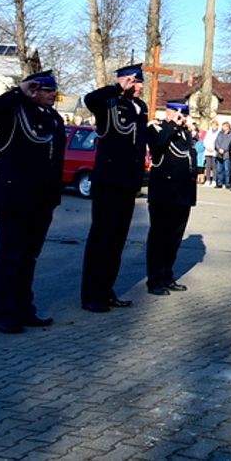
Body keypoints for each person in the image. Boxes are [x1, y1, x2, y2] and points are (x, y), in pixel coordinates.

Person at [0, 70, 66, 334]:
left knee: (29, 257)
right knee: (11, 256)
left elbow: (55, 160)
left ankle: (24, 309)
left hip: (42, 200)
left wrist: (54, 196)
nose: (53, 94)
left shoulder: (53, 117)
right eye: (46, 90)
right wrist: (19, 91)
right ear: (34, 90)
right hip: (14, 197)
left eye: (54, 90)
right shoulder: (14, 112)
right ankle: (4, 314)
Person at [80, 64, 149, 314]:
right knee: (102, 239)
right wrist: (117, 88)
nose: (140, 86)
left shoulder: (141, 108)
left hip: (128, 182)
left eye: (140, 82)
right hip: (108, 181)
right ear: (126, 80)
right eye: (136, 81)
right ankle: (91, 294)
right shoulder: (107, 103)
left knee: (117, 241)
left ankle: (107, 290)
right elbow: (90, 99)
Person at [145, 101, 196, 296]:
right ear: (169, 113)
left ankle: (167, 276)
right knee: (159, 238)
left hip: (182, 195)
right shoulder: (158, 129)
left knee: (174, 239)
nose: (182, 119)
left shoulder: (185, 133)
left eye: (184, 115)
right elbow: (157, 146)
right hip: (164, 195)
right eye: (179, 114)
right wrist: (171, 125)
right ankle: (155, 280)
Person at [213, 122, 231, 188]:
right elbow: (216, 142)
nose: (223, 128)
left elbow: (229, 143)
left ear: (228, 127)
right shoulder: (220, 133)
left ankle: (227, 183)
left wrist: (224, 149)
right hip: (219, 154)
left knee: (227, 170)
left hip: (226, 154)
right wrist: (218, 149)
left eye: (224, 126)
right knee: (219, 170)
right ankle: (219, 183)